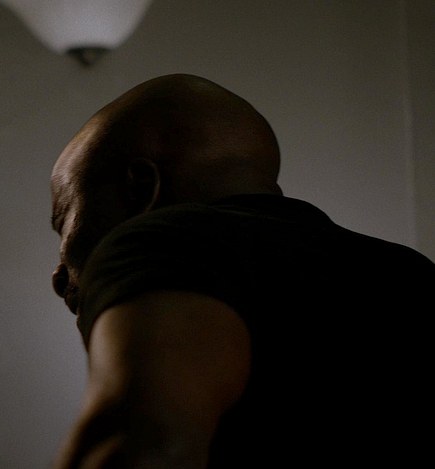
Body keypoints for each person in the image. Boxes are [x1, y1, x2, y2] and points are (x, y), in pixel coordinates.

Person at [49, 74, 435, 468]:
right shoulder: (411, 272)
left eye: (64, 221)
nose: (59, 276)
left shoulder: (167, 241)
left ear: (140, 189)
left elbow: (147, 448)